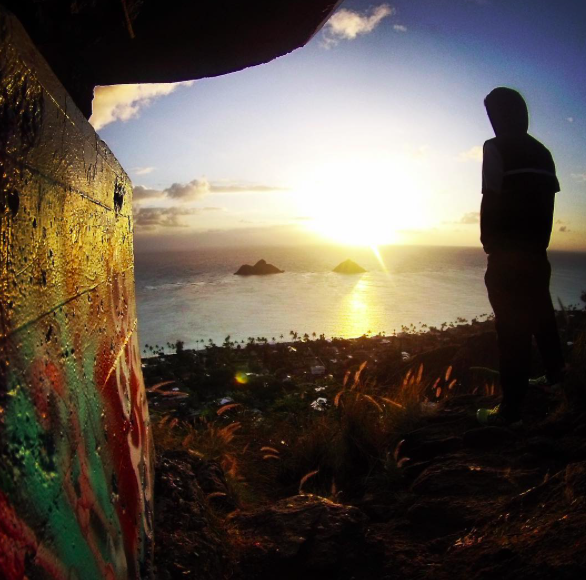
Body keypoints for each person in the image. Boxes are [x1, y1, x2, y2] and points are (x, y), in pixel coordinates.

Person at [476, 87, 566, 427]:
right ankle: (559, 377)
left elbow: (491, 195)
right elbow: (548, 204)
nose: (492, 122)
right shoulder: (543, 152)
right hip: (536, 252)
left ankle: (511, 408)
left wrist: (489, 242)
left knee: (510, 327)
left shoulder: (495, 147)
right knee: (542, 314)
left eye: (493, 114)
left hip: (506, 254)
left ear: (501, 116)